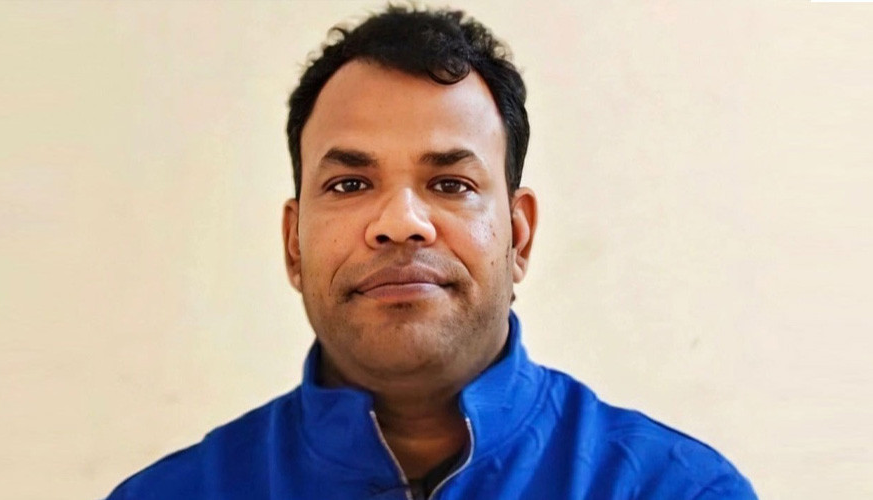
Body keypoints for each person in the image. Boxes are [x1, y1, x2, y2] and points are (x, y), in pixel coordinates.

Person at [107, 6, 756, 499]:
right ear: (293, 245)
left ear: (519, 235)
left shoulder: (673, 489)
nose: (401, 223)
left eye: (450, 184)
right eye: (350, 184)